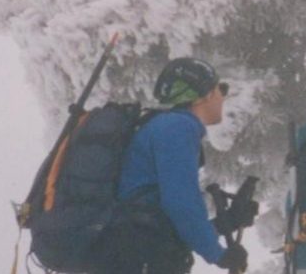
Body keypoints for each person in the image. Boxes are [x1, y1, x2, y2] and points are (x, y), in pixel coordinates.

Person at [96, 57, 252, 273]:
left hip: (139, 252)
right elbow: (181, 202)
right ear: (202, 96)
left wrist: (227, 222)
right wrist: (218, 254)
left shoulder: (168, 127)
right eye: (220, 88)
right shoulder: (177, 127)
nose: (223, 97)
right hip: (142, 256)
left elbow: (170, 219)